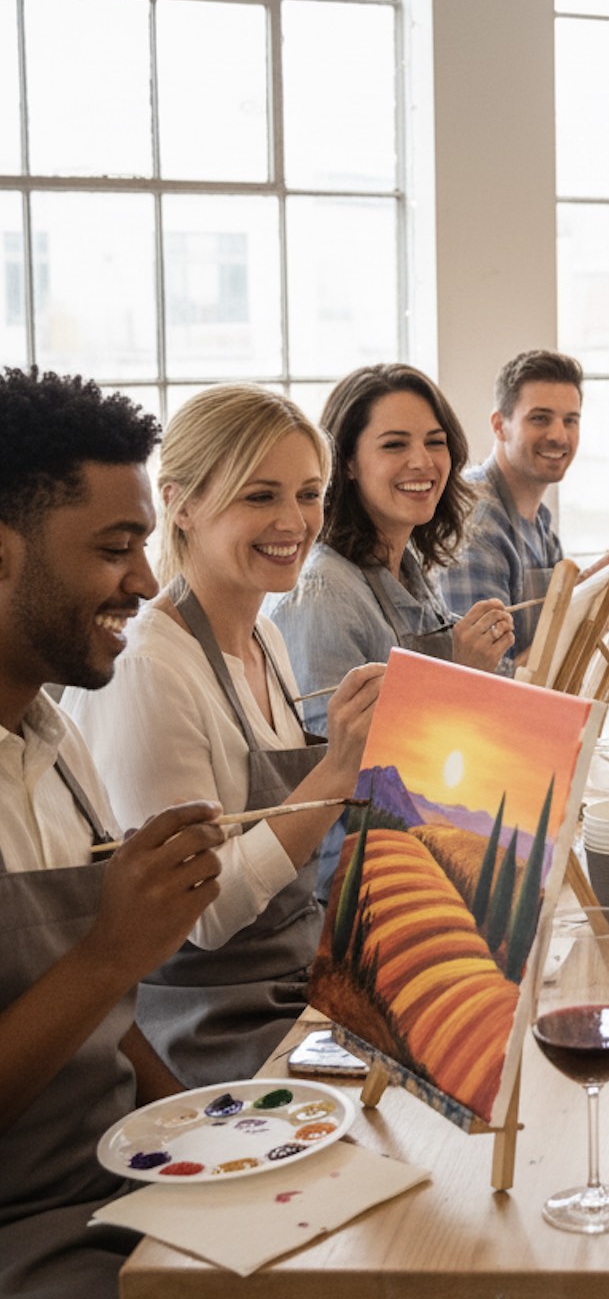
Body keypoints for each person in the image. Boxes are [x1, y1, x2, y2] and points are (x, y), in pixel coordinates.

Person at [64, 386, 385, 1085]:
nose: (294, 521)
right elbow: (200, 922)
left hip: (296, 986)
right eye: (260, 496)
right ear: (181, 505)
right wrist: (336, 775)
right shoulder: (148, 668)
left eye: (309, 493)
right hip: (211, 1027)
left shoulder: (264, 632)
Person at [0, 367, 224, 1299]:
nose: (145, 580)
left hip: (116, 1180)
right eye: (115, 548)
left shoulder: (50, 738)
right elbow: (101, 974)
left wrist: (209, 1142)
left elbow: (113, 1025)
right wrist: (109, 952)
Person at [269, 364, 512, 894]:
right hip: (358, 888)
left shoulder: (405, 568)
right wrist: (465, 679)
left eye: (435, 441)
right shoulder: (324, 593)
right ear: (348, 464)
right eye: (394, 445)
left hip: (424, 849)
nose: (422, 462)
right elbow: (340, 788)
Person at [440, 350, 589, 659]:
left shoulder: (539, 519)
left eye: (570, 420)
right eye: (540, 418)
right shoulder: (475, 524)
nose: (559, 435)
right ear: (499, 426)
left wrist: (599, 589)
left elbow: (554, 622)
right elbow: (491, 686)